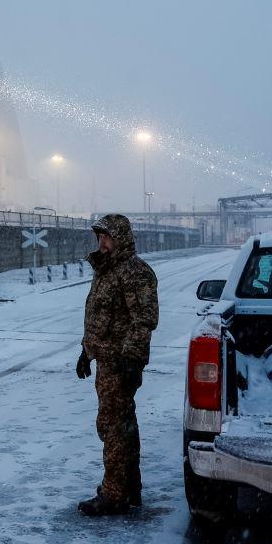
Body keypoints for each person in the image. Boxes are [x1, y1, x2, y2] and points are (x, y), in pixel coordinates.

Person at [75, 213, 158, 516]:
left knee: (112, 425)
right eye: (99, 238)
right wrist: (87, 353)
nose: (102, 243)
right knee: (123, 424)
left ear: (120, 238)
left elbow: (143, 320)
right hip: (107, 360)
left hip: (122, 362)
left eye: (107, 237)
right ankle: (128, 487)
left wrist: (133, 360)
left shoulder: (134, 272)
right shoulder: (107, 271)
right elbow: (99, 318)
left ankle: (114, 493)